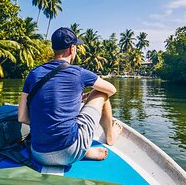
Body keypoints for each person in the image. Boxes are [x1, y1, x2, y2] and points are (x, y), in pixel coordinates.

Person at [18, 27, 122, 166]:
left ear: (53, 48)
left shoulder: (34, 73)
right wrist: (90, 95)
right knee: (101, 93)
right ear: (72, 49)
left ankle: (81, 150)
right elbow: (112, 90)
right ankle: (109, 137)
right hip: (68, 151)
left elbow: (22, 117)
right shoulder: (79, 73)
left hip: (38, 153)